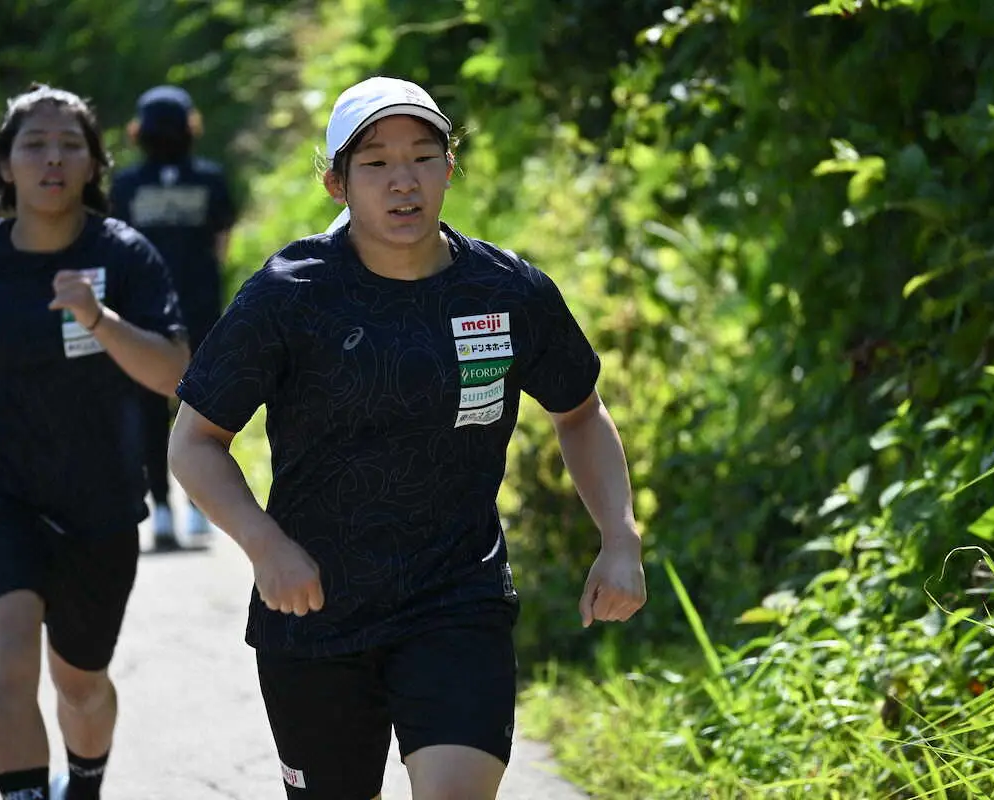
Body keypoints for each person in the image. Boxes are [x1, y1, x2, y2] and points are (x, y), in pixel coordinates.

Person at [168, 76, 648, 800]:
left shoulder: (505, 291)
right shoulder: (290, 295)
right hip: (315, 611)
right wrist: (266, 546)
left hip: (457, 597)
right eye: (376, 163)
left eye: (423, 157)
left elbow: (579, 412)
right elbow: (195, 441)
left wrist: (619, 538)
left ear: (449, 170)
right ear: (336, 183)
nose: (404, 181)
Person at [0, 84, 189, 800]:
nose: (53, 159)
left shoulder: (123, 254)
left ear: (94, 163)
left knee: (81, 683)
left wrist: (98, 318)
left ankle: (85, 783)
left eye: (70, 145)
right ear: (2, 163)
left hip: (98, 503)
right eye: (33, 144)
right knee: (9, 661)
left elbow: (172, 371)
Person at [110, 85, 238, 550]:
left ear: (139, 131)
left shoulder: (125, 185)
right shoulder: (210, 179)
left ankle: (161, 508)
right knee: (201, 409)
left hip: (143, 315)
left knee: (148, 408)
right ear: (190, 127)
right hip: (200, 310)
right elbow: (221, 247)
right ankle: (199, 507)